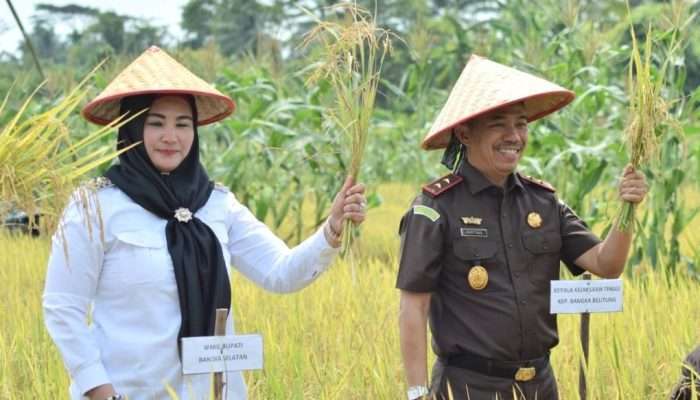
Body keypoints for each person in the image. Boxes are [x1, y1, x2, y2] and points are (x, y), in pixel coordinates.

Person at [43, 46, 367, 400]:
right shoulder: (93, 207)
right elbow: (63, 308)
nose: (172, 136)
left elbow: (280, 272)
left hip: (212, 392)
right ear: (132, 129)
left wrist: (332, 228)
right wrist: (101, 392)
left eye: (183, 124)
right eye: (156, 123)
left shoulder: (217, 204)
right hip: (126, 394)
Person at [396, 54, 648, 400]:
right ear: (465, 132)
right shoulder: (435, 209)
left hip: (540, 385)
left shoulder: (543, 202)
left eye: (521, 124)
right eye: (499, 124)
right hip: (469, 387)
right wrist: (417, 393)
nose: (514, 136)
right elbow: (414, 306)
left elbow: (607, 264)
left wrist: (628, 208)